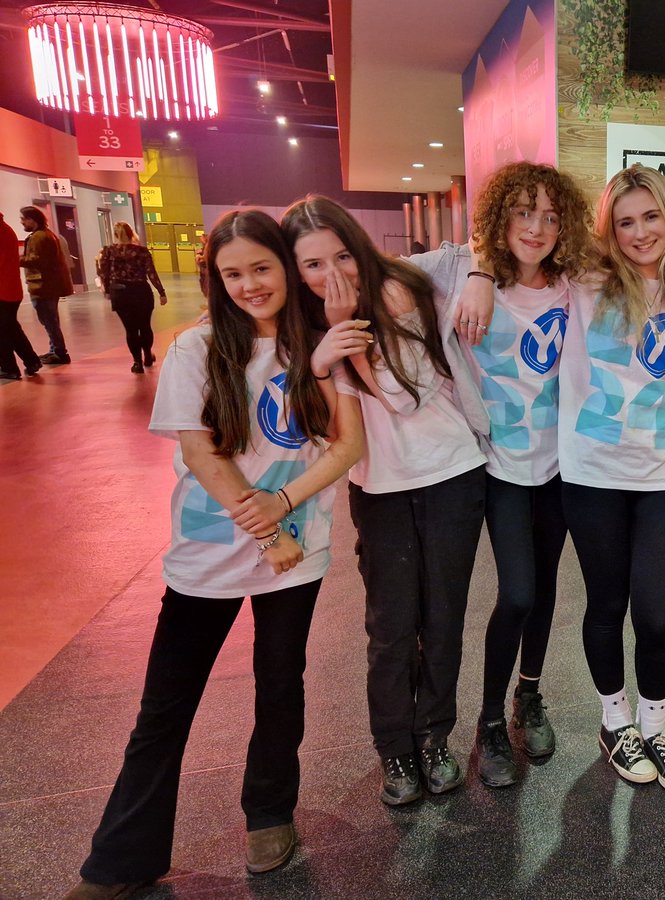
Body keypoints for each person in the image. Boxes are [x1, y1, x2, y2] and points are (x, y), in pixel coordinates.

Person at [68, 209, 367, 899]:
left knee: (279, 687)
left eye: (262, 268)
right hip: (208, 556)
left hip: (300, 555)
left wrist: (286, 511)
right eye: (232, 274)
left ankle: (269, 814)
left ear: (287, 269)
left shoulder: (318, 347)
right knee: (163, 710)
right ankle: (121, 860)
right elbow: (201, 452)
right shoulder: (197, 349)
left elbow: (348, 446)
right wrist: (265, 529)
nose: (249, 285)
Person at [282, 196, 488, 805]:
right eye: (313, 265)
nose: (332, 275)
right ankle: (395, 748)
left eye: (343, 254)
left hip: (452, 470)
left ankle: (435, 738)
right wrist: (320, 362)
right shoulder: (298, 324)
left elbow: (405, 396)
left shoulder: (399, 287)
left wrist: (346, 339)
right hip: (379, 486)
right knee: (391, 626)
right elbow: (313, 429)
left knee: (444, 617)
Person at [404, 162, 595, 787]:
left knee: (542, 591)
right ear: (497, 219)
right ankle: (488, 719)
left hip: (561, 465)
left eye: (549, 216)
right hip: (497, 464)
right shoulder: (457, 269)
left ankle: (527, 694)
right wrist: (482, 271)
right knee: (515, 591)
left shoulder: (573, 286)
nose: (536, 228)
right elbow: (365, 266)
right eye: (522, 212)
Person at [556, 164, 665, 792]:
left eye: (651, 216)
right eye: (625, 221)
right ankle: (614, 721)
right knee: (607, 603)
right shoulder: (583, 281)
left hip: (660, 475)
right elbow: (505, 249)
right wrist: (483, 277)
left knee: (655, 611)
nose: (640, 231)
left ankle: (654, 725)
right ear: (608, 230)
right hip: (591, 473)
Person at [99, 222, 168, 373]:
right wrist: (161, 292)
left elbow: (104, 273)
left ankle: (137, 363)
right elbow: (151, 273)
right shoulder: (142, 251)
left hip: (120, 293)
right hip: (141, 291)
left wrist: (108, 291)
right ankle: (148, 355)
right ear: (132, 234)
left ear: (115, 235)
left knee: (130, 330)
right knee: (145, 326)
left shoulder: (108, 251)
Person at [18, 206, 73, 365]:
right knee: (51, 320)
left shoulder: (39, 237)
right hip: (48, 285)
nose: (22, 222)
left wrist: (16, 259)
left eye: (23, 219)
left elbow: (38, 260)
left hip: (43, 286)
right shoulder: (47, 235)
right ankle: (55, 350)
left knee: (49, 321)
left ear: (31, 219)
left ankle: (59, 351)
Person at [0, 211, 42, 380]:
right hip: (10, 288)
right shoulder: (5, 229)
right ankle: (31, 361)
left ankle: (9, 368)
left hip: (3, 289)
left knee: (3, 331)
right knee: (10, 328)